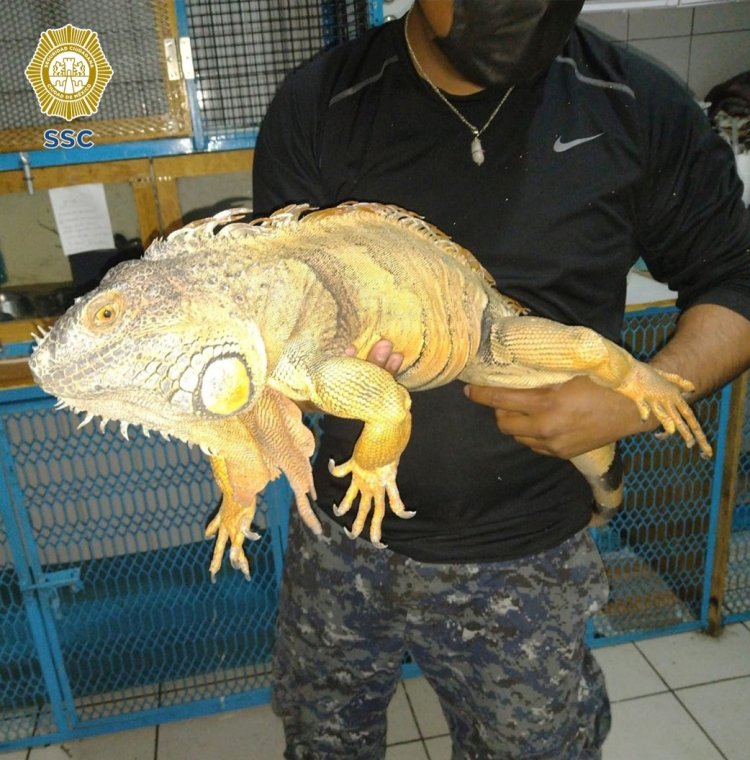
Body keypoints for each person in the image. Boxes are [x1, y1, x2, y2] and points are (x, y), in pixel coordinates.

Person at [252, 1, 750, 757]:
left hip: (526, 559)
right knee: (322, 742)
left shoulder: (637, 105)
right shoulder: (322, 102)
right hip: (345, 537)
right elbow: (278, 309)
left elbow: (736, 282)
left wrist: (638, 402)